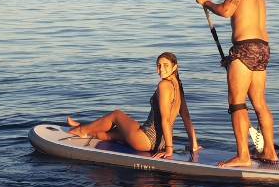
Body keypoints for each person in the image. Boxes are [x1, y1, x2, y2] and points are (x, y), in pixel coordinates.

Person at [196, 0, 279, 167]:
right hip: (262, 48)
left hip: (245, 47)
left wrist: (207, 2)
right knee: (260, 103)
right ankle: (270, 151)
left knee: (236, 104)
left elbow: (226, 11)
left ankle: (243, 156)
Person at [67, 52, 202, 159]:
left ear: (174, 67)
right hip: (158, 143)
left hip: (147, 140)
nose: (161, 69)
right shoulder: (178, 86)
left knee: (116, 115)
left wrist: (169, 149)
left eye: (165, 65)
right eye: (158, 65)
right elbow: (186, 117)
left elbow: (165, 119)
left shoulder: (164, 85)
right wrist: (194, 145)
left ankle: (82, 129)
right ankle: (88, 130)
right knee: (113, 134)